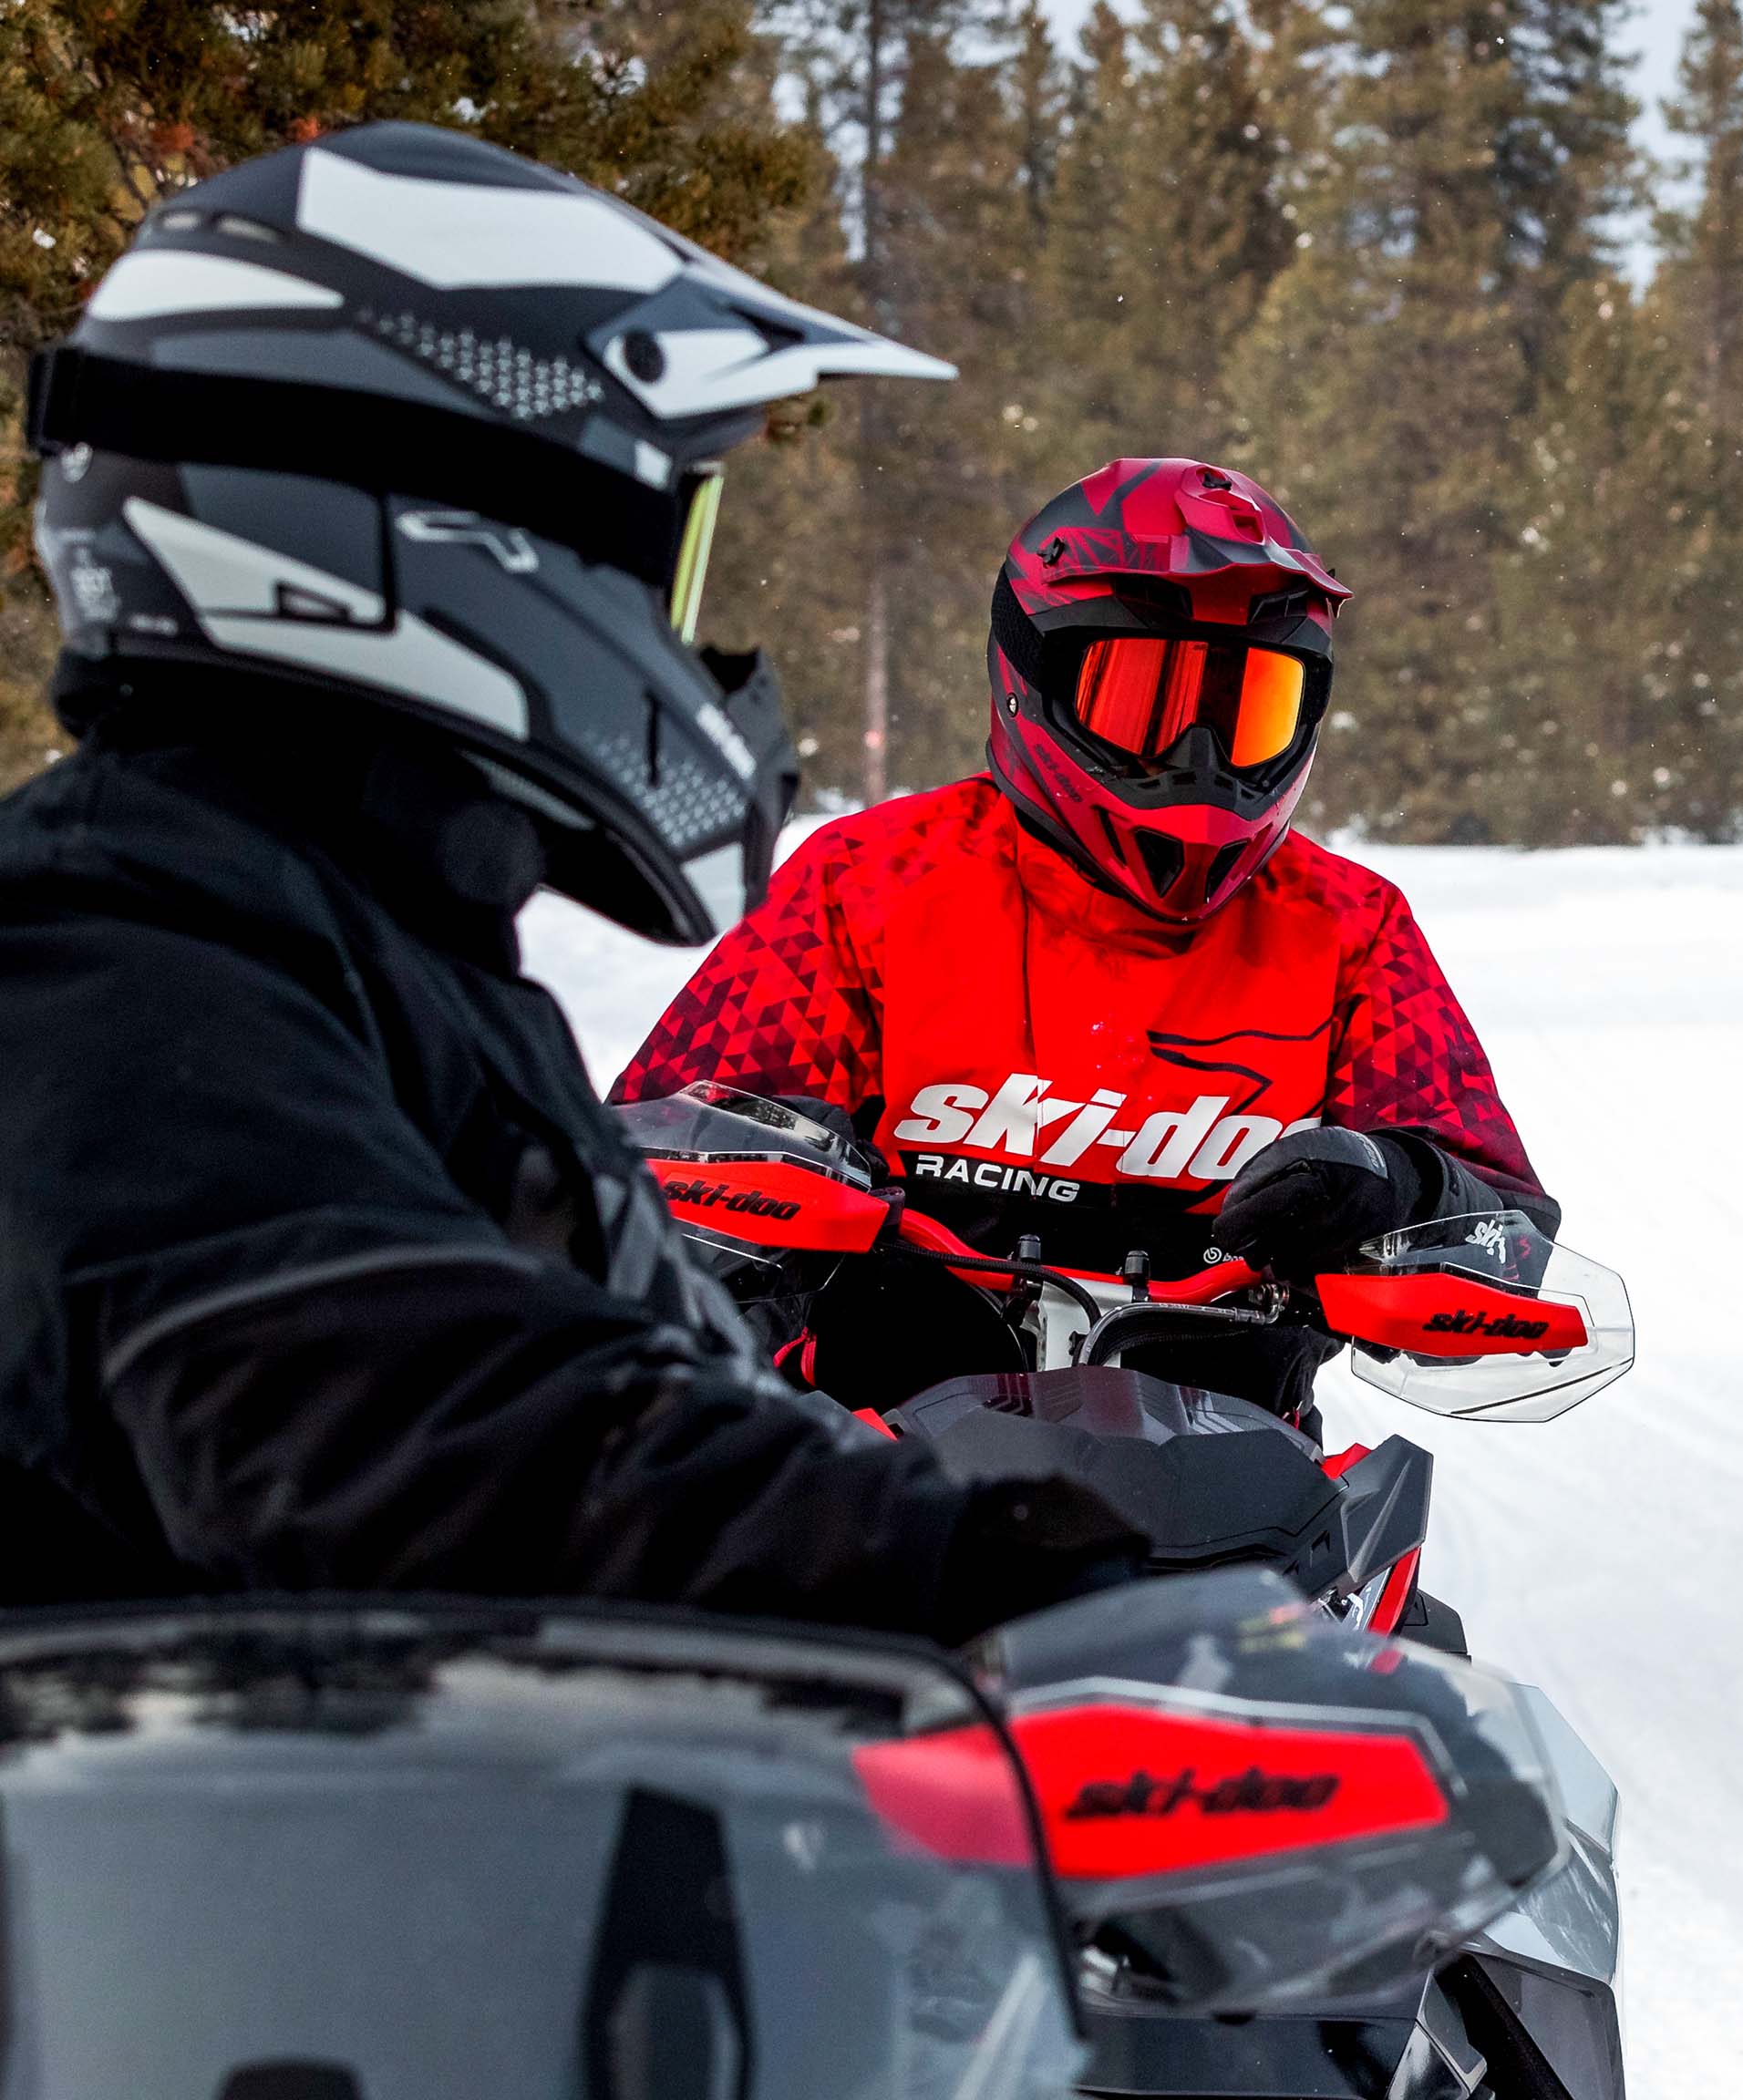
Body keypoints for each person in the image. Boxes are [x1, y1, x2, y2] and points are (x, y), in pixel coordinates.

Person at [0, 125, 1145, 1634]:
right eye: (660, 552)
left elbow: (607, 1373)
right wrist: (938, 1553)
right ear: (451, 525)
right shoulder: (101, 956)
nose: (696, 644)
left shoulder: (367, 933)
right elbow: (405, 1421)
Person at [609, 458, 1552, 1425]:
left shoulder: (1347, 928)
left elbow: (1507, 1242)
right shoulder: (871, 883)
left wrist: (1397, 1190)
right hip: (874, 1467)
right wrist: (760, 1217)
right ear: (1032, 677)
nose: (1197, 759)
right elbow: (638, 1169)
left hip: (1236, 1486)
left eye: (1245, 713)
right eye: (1142, 699)